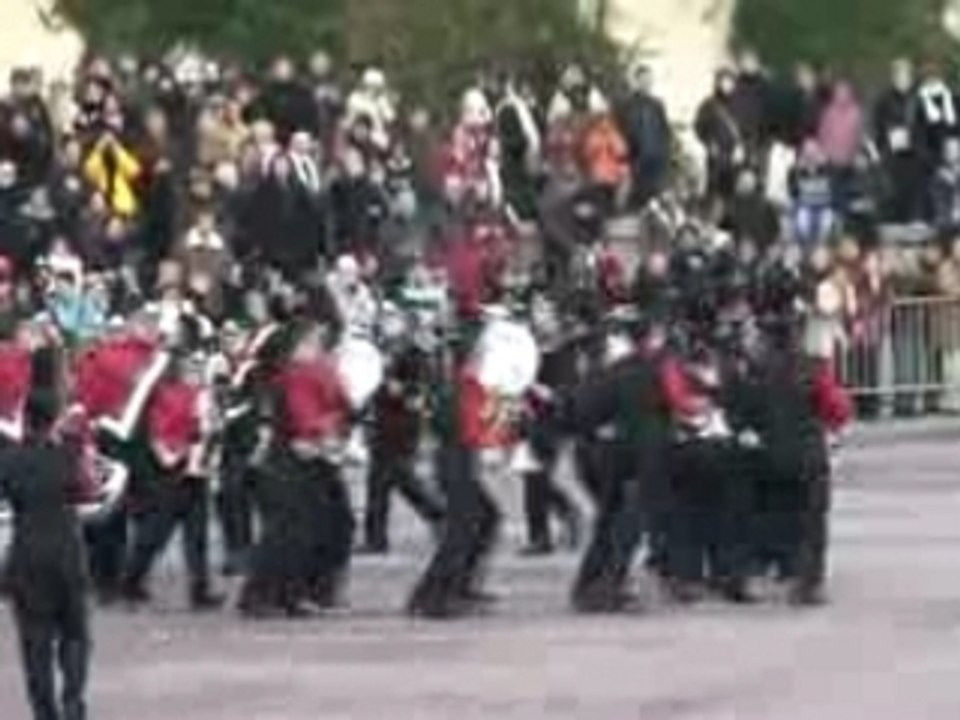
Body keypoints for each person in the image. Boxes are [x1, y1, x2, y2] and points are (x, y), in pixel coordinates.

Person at [1, 389, 96, 720]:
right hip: (66, 550)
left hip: (25, 553)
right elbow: (88, 490)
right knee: (75, 634)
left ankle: (45, 713)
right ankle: (73, 700)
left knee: (34, 644)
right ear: (55, 419)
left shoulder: (8, 458)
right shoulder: (69, 453)